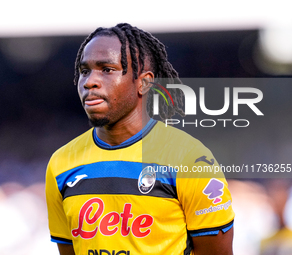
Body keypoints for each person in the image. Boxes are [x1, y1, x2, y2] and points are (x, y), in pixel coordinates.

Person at [46, 23, 235, 255]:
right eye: (85, 71)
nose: (89, 82)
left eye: (107, 69)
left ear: (144, 82)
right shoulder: (61, 164)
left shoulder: (190, 159)